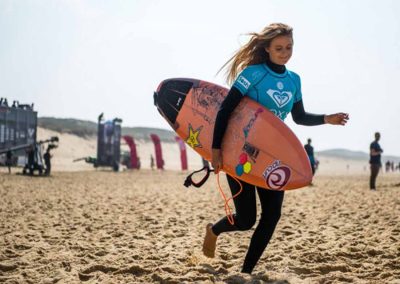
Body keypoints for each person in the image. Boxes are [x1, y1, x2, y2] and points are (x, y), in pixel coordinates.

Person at [202, 23, 349, 274]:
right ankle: (213, 230)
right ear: (267, 48)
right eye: (279, 48)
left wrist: (327, 118)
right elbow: (226, 109)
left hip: (272, 155)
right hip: (240, 151)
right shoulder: (253, 73)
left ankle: (245, 272)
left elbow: (299, 117)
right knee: (246, 220)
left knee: (271, 217)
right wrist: (215, 151)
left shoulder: (294, 80)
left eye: (289, 47)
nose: (284, 52)